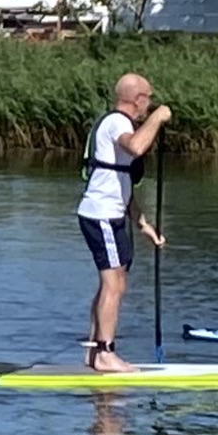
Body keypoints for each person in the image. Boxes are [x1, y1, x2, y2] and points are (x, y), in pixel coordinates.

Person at [77, 72, 168, 373]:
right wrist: (157, 118)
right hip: (101, 216)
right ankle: (105, 353)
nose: (150, 103)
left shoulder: (121, 125)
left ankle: (94, 351)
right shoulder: (118, 122)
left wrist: (144, 225)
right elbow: (136, 147)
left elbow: (121, 185)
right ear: (137, 99)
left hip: (111, 215)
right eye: (149, 98)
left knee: (112, 285)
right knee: (113, 285)